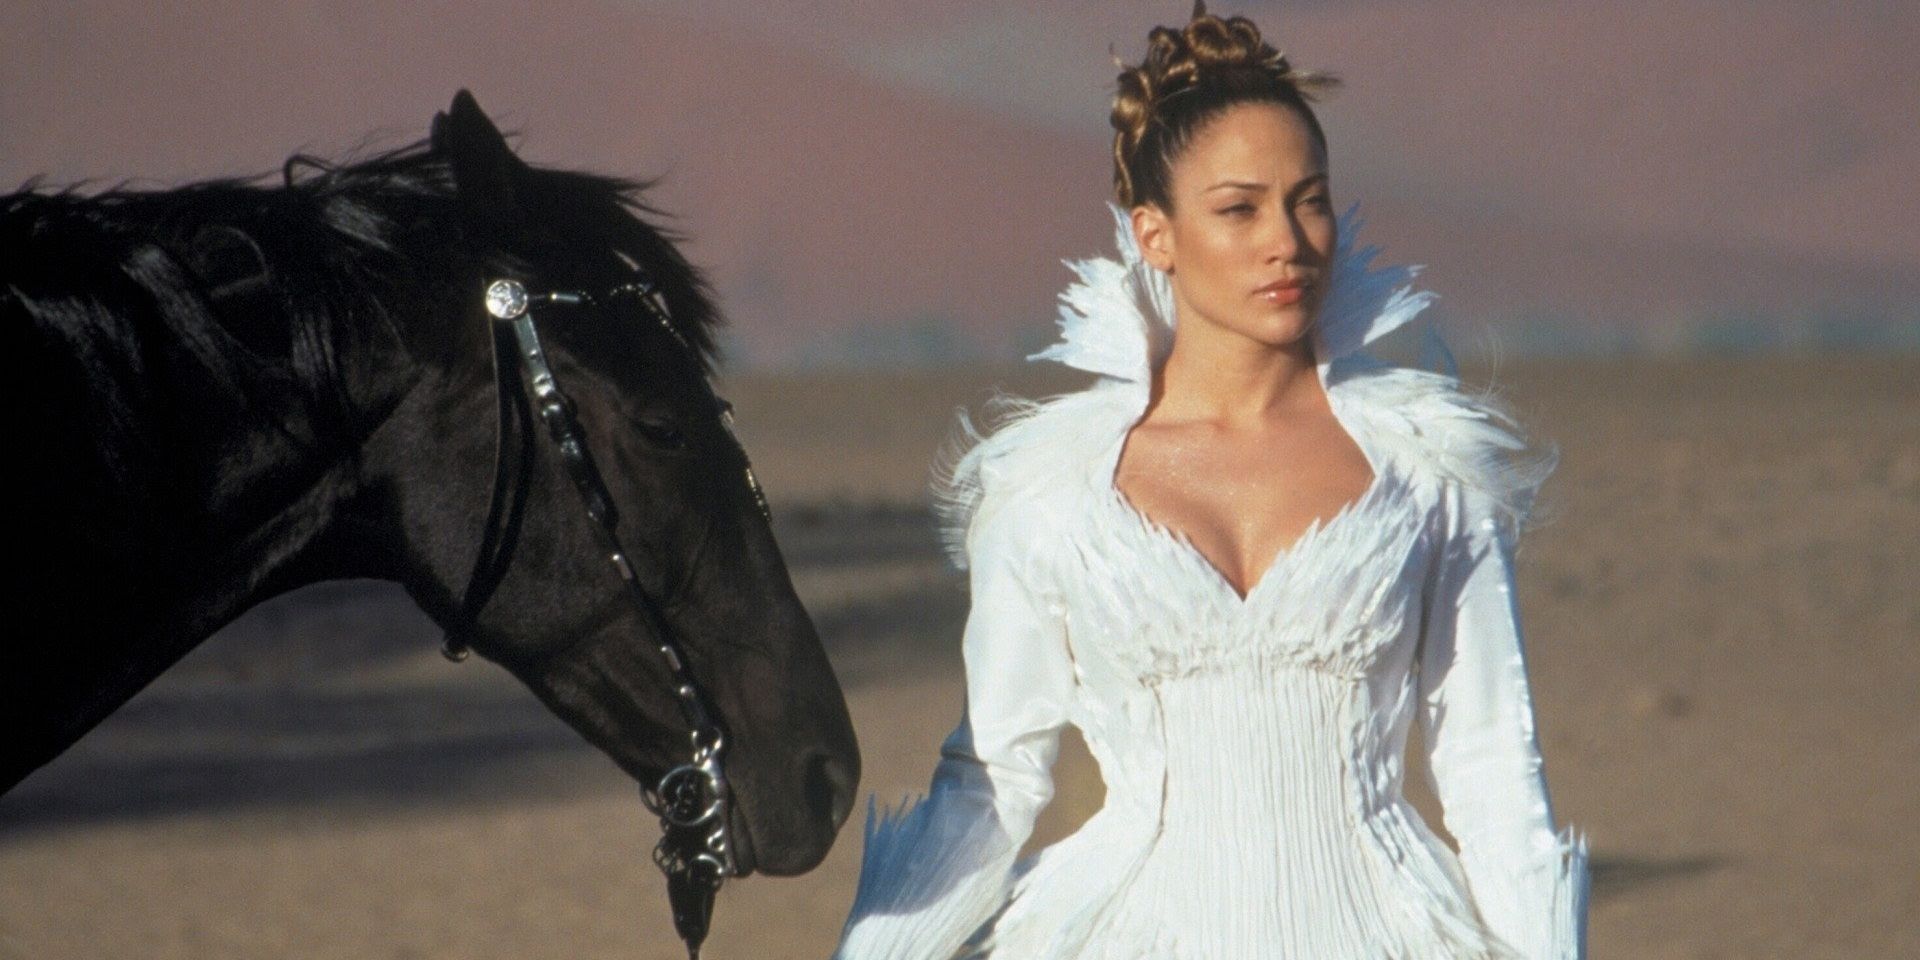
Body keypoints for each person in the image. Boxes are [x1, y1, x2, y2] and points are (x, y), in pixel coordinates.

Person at [831, 5, 1588, 958]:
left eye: (1307, 200)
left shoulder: (1430, 475)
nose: (1287, 240)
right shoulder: (1050, 491)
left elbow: (1490, 771)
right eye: (1239, 208)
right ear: (1155, 233)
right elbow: (993, 781)